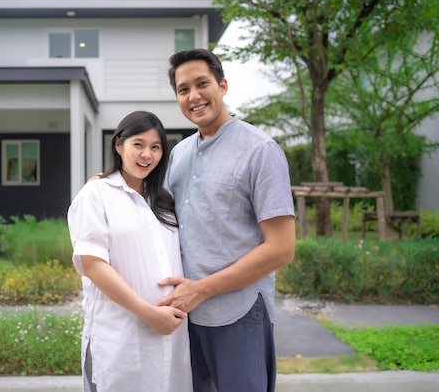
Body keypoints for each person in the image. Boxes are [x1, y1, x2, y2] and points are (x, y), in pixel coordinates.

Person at [156, 49, 296, 392]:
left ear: (223, 85)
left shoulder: (260, 150)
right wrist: (110, 182)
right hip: (185, 317)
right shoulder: (179, 153)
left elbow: (281, 249)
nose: (194, 96)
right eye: (183, 89)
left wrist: (201, 290)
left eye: (202, 84)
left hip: (240, 312)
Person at [67, 110, 193, 392]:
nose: (146, 154)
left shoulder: (163, 200)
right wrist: (149, 313)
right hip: (119, 338)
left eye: (155, 147)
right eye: (138, 144)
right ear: (118, 145)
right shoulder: (96, 194)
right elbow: (93, 265)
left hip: (172, 338)